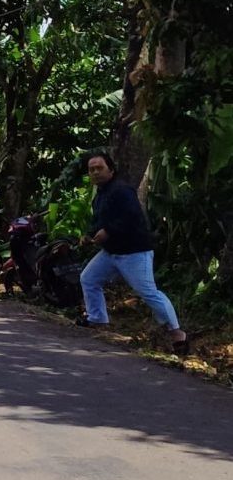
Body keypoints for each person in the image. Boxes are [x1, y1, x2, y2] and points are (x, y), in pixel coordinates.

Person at [77, 151, 188, 354]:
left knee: (148, 292)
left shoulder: (122, 190)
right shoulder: (100, 196)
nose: (95, 173)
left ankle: (178, 334)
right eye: (91, 170)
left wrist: (109, 231)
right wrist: (89, 235)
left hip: (134, 252)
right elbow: (97, 223)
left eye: (99, 168)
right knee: (89, 278)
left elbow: (132, 217)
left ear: (111, 169)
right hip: (111, 252)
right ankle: (98, 320)